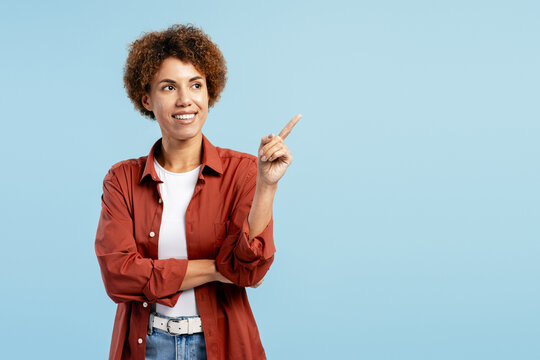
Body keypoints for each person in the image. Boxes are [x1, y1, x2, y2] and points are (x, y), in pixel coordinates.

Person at [94, 24, 300, 360]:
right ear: (147, 98)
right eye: (169, 86)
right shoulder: (122, 179)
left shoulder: (243, 171)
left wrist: (267, 185)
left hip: (223, 344)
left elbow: (250, 270)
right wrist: (220, 269)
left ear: (209, 93)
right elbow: (119, 276)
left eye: (196, 85)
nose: (184, 99)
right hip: (147, 345)